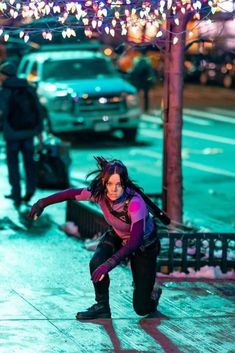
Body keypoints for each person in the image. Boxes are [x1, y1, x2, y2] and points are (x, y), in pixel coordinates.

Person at [28, 157, 170, 320]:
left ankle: (153, 293)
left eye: (118, 184)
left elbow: (135, 241)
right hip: (117, 235)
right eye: (109, 184)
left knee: (141, 308)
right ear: (104, 183)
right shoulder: (99, 193)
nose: (114, 189)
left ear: (124, 183)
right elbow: (70, 194)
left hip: (143, 246)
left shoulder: (135, 203)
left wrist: (109, 264)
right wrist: (42, 203)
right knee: (96, 262)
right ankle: (102, 306)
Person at [0, 61, 43, 207]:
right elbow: (38, 110)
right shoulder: (28, 88)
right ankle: (30, 189)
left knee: (13, 164)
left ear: (5, 75)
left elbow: (2, 113)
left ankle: (16, 193)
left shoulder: (4, 91)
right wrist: (39, 132)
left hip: (12, 134)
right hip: (28, 133)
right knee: (29, 163)